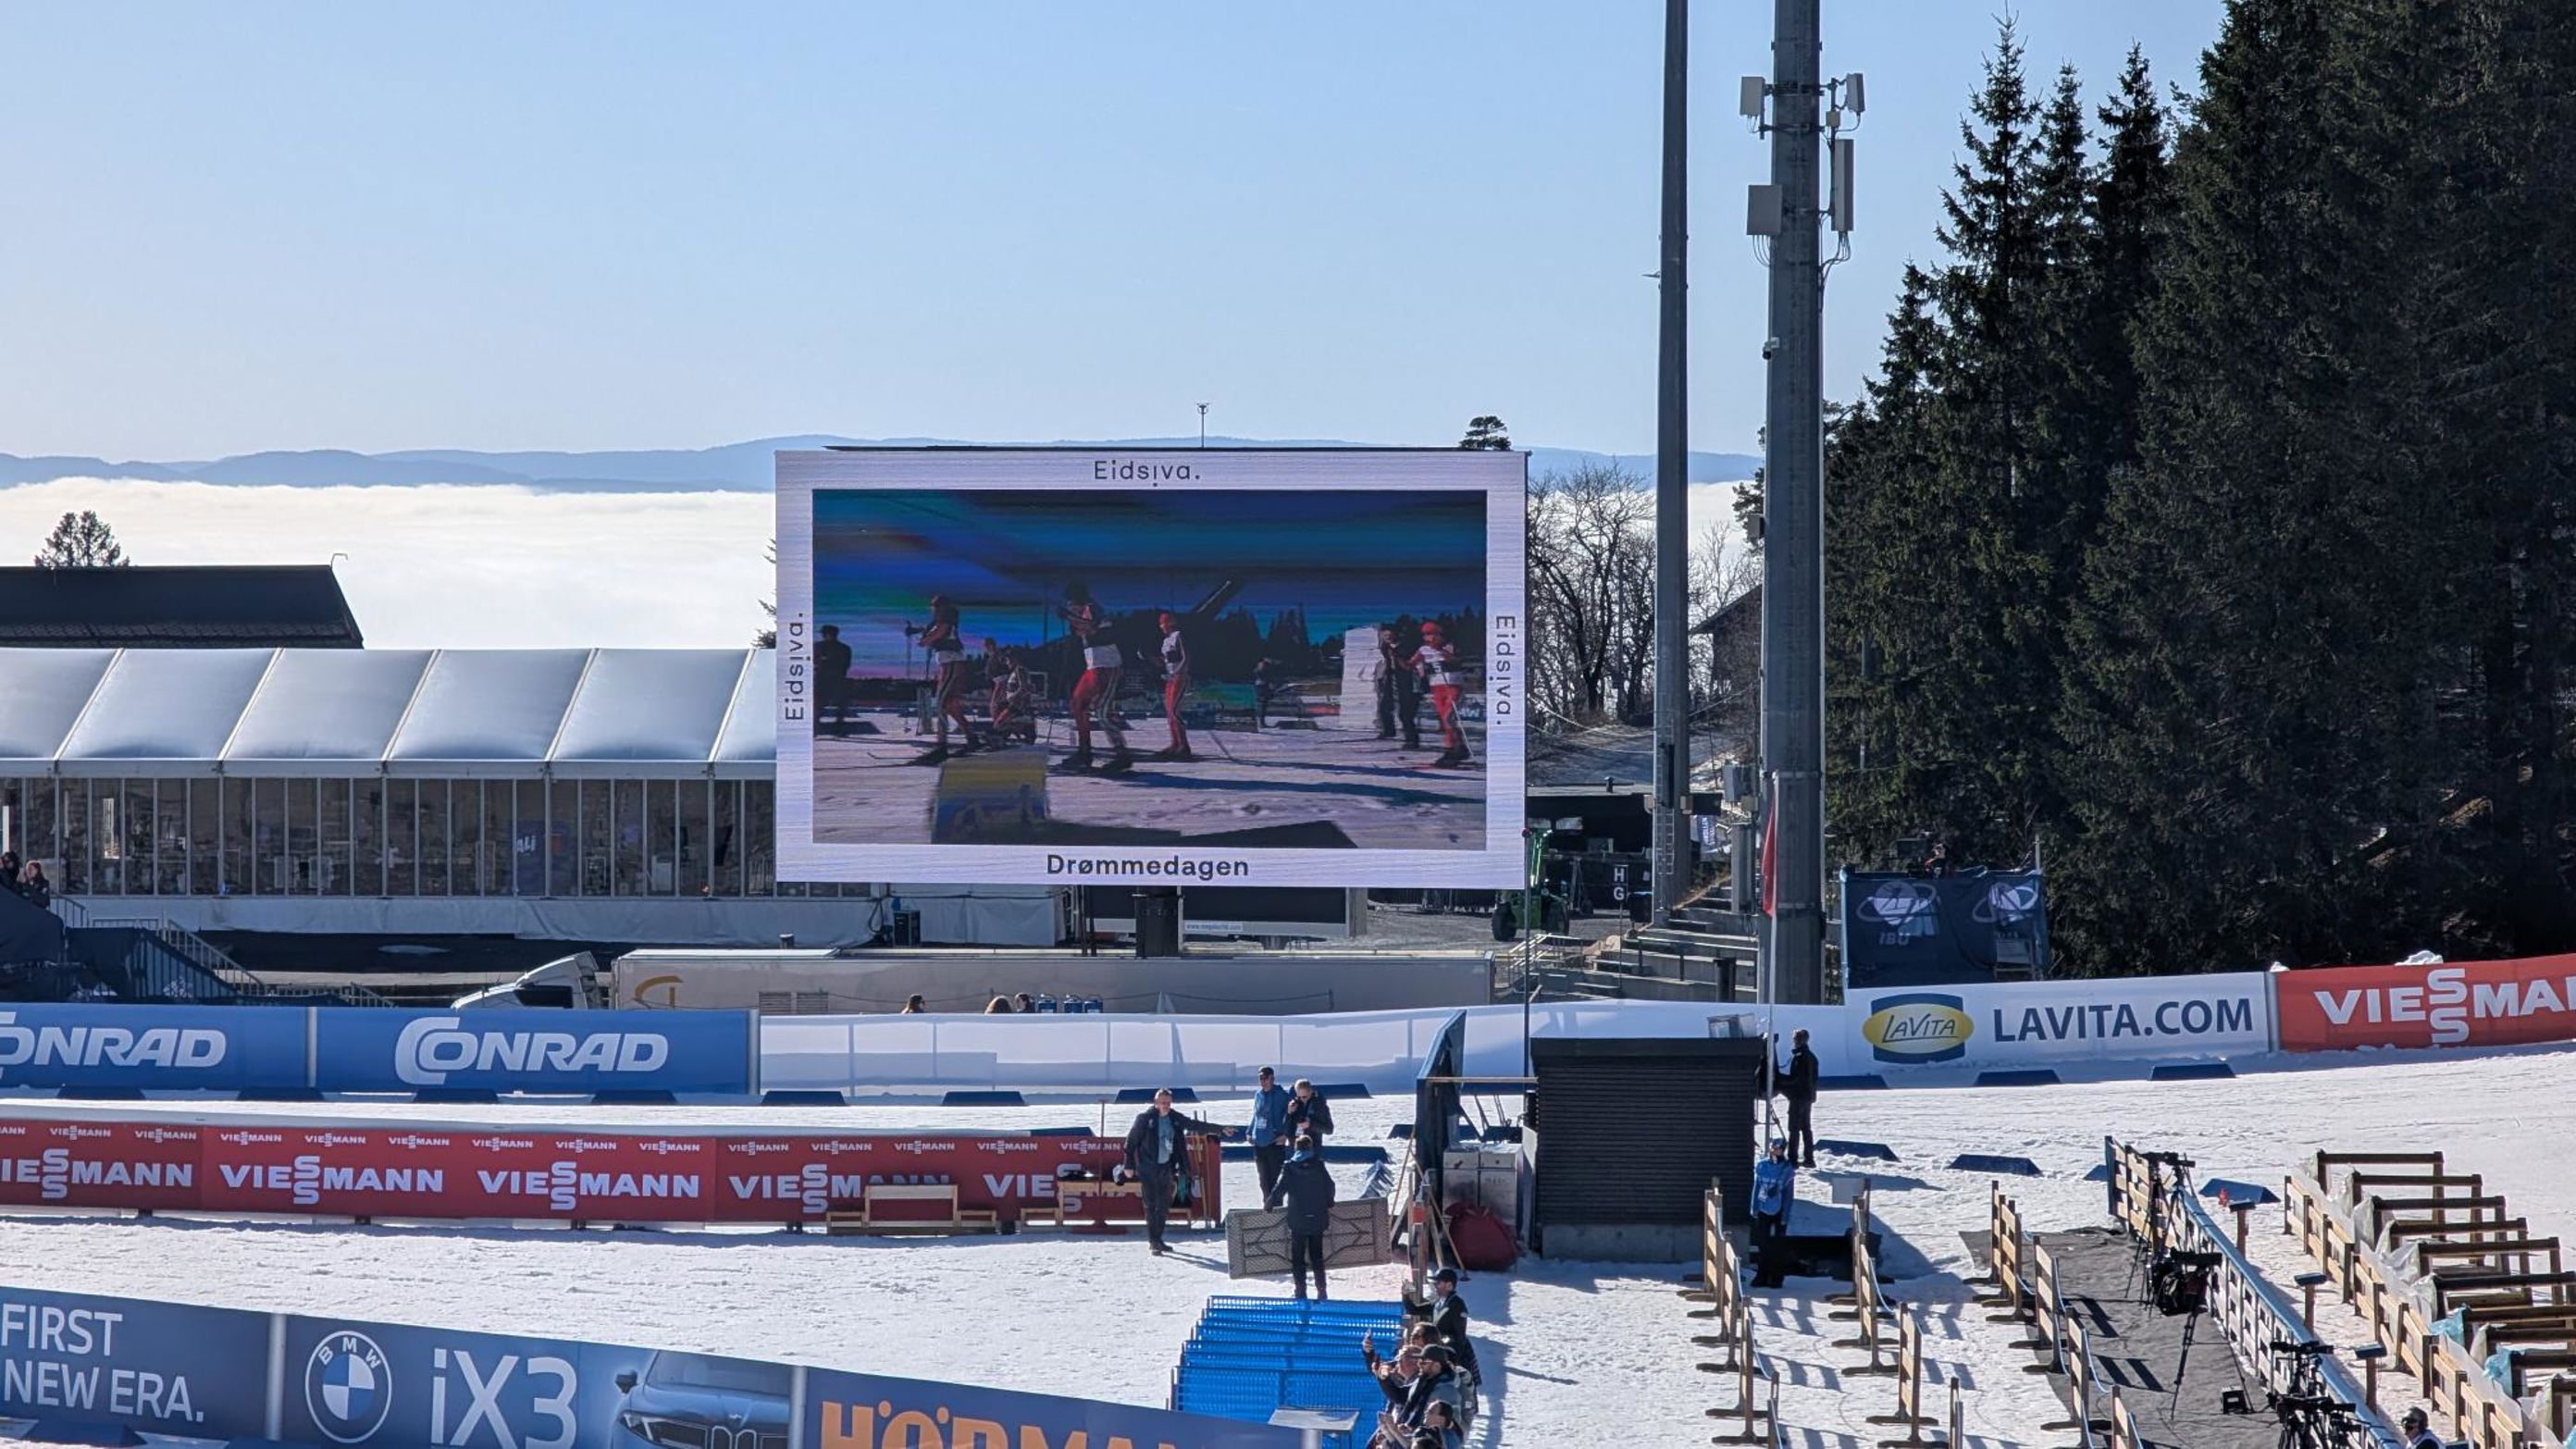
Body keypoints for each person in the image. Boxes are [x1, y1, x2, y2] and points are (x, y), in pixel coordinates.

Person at [1121, 1087, 1230, 1255]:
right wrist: (1128, 1164)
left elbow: (1194, 1125)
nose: (1165, 1106)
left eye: (1168, 1103)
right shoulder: (1144, 1119)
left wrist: (1220, 1129)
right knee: (1151, 1205)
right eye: (1162, 1102)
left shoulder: (1174, 1118)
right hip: (1148, 1168)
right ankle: (1154, 1241)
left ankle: (1158, 1239)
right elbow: (1131, 1142)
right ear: (1156, 1102)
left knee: (1164, 1205)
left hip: (1166, 1167)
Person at [1056, 582, 1133, 774]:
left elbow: (1091, 628)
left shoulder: (1091, 608)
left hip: (1107, 666)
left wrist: (1069, 617)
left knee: (1102, 712)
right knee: (1078, 704)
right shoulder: (1086, 612)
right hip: (1094, 666)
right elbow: (1085, 630)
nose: (1070, 606)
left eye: (1071, 603)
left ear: (1077, 600)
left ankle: (1122, 754)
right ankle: (1084, 751)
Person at [1265, 1132, 1337, 1300]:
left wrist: (1269, 1204)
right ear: (1311, 1148)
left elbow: (1279, 1189)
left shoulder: (1290, 1167)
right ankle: (1322, 1291)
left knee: (1298, 1258)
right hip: (1318, 1217)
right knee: (1317, 1256)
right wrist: (1329, 1202)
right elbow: (1330, 1186)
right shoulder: (1319, 1166)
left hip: (1298, 1219)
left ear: (1296, 1148)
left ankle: (1300, 1291)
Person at [910, 595, 980, 763]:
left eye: (934, 606)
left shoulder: (946, 615)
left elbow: (940, 630)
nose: (932, 610)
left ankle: (942, 746)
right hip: (950, 661)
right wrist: (921, 633)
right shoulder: (946, 616)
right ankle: (972, 738)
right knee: (950, 705)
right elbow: (939, 630)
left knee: (941, 704)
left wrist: (925, 640)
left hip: (950, 661)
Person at [1410, 622, 1470, 768]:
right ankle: (1459, 748)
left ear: (1440, 635)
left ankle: (1450, 750)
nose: (1430, 638)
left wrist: (1441, 652)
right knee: (1446, 722)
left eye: (1433, 634)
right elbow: (1410, 663)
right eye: (1426, 635)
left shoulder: (1449, 646)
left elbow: (1457, 660)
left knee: (1449, 718)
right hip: (1437, 687)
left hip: (1453, 686)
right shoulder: (1423, 650)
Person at [1751, 1135, 1797, 1288]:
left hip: (1779, 1210)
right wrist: (1755, 1207)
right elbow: (1757, 1187)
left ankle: (1776, 1278)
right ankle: (1761, 1276)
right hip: (1763, 1209)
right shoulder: (1762, 1166)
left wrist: (1785, 1216)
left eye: (1779, 1149)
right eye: (1774, 1148)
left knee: (1778, 1246)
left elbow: (1789, 1195)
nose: (1776, 1151)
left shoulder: (1787, 1169)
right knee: (1763, 1245)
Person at [1425, 1267, 1480, 1389]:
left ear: (1449, 1285)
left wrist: (1452, 1361)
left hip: (1456, 1354)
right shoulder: (1438, 1302)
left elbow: (1458, 1336)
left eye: (1438, 1283)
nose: (1435, 1286)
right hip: (1443, 1352)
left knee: (1463, 1392)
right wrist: (1406, 1295)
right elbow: (1414, 1309)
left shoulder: (1457, 1305)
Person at [1246, 1066, 1294, 1202]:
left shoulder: (1281, 1095)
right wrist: (1249, 1132)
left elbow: (1291, 1117)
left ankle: (1276, 1208)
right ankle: (1267, 1207)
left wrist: (1286, 1135)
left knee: (1274, 1180)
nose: (1263, 1082)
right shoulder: (1258, 1095)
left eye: (1265, 1078)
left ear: (1272, 1079)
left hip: (1274, 1142)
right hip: (1259, 1142)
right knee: (1263, 1181)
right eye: (1260, 1079)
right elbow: (1256, 1115)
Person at [1152, 611, 1194, 762]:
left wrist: (1179, 672)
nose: (1162, 627)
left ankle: (1184, 746)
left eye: (1163, 624)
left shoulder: (1178, 635)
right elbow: (1166, 661)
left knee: (1175, 711)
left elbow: (1186, 657)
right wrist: (1151, 659)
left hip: (1179, 677)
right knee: (1170, 712)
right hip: (1170, 677)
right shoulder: (1166, 640)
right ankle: (1175, 744)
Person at [1777, 1027, 1820, 1167]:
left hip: (1798, 1097)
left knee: (1794, 1129)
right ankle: (1809, 1159)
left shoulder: (1801, 1057)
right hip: (1807, 1096)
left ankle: (1793, 1159)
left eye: (1795, 1039)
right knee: (1806, 1128)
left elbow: (1796, 1079)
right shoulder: (1810, 1056)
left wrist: (1779, 1080)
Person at [1376, 625, 1422, 749]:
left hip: (1406, 680)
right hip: (1391, 678)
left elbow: (1409, 665)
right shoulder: (1384, 647)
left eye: (1389, 635)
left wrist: (1397, 655)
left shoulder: (1404, 647)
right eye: (1385, 636)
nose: (1387, 638)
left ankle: (1412, 739)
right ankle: (1388, 730)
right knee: (1384, 706)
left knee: (1405, 713)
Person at [813, 625, 854, 737]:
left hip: (833, 679)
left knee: (840, 705)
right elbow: (815, 661)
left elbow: (845, 665)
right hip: (824, 679)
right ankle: (816, 728)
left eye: (824, 634)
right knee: (818, 705)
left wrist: (825, 662)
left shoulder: (843, 648)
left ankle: (838, 729)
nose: (823, 636)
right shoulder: (818, 646)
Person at [1285, 1077, 1335, 1142]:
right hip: (1295, 1145)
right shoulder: (1294, 1105)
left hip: (1313, 1146)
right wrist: (1289, 1113)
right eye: (1299, 1097)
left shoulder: (1320, 1106)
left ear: (1310, 1092)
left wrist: (1310, 1124)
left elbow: (1329, 1130)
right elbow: (1286, 1131)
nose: (1302, 1099)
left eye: (1304, 1097)